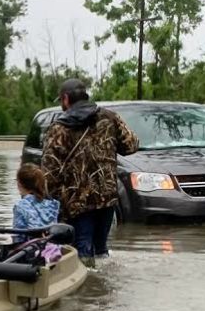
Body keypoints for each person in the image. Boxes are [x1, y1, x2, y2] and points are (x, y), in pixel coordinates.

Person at [42, 78, 139, 267]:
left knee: (81, 249)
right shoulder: (110, 118)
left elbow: (49, 172)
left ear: (66, 99)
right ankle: (102, 289)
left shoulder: (58, 128)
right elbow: (132, 145)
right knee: (101, 249)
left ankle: (87, 291)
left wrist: (53, 203)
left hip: (76, 202)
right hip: (107, 197)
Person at [13, 163, 60, 234]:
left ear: (19, 183)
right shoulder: (54, 204)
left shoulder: (20, 206)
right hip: (50, 243)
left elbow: (18, 235)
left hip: (31, 244)